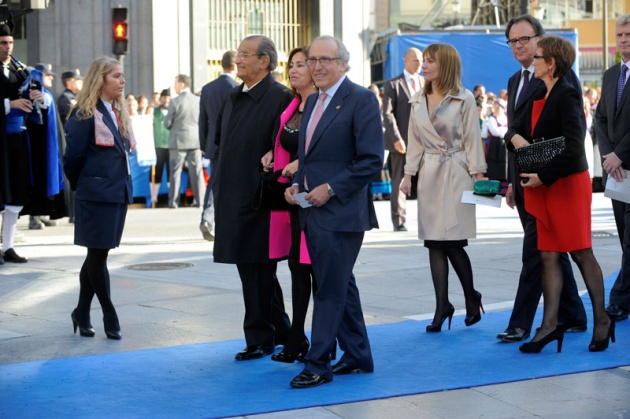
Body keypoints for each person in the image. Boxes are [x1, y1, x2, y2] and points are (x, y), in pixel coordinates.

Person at [505, 36, 614, 353]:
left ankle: (602, 320)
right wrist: (517, 140)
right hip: (544, 184)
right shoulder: (541, 90)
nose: (532, 61)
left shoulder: (567, 93)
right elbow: (513, 128)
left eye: (537, 57)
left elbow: (573, 146)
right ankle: (549, 325)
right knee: (549, 254)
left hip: (565, 184)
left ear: (550, 63)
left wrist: (543, 174)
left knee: (580, 252)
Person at [285, 35, 383, 388]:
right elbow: (311, 156)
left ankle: (318, 363)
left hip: (341, 212)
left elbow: (371, 160)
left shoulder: (361, 99)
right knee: (341, 284)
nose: (317, 66)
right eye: (313, 60)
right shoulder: (312, 103)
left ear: (344, 63)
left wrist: (331, 188)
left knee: (328, 288)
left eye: (326, 59)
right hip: (311, 208)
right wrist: (301, 183)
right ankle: (357, 355)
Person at [498, 14, 587, 343]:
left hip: (550, 181)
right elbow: (513, 139)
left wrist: (545, 171)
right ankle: (574, 314)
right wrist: (511, 183)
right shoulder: (513, 80)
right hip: (523, 183)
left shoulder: (558, 77)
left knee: (535, 251)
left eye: (525, 39)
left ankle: (520, 322)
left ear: (541, 40)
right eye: (513, 41)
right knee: (551, 249)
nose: (519, 45)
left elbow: (570, 133)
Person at [212, 35, 292, 361]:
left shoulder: (280, 97)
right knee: (253, 269)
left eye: (246, 54)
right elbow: (219, 142)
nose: (239, 59)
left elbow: (285, 145)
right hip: (232, 193)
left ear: (265, 61)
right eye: (239, 54)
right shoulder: (233, 96)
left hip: (261, 196)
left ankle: (260, 338)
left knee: (258, 267)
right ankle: (282, 330)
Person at [400, 43, 487, 334]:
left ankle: (470, 297)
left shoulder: (464, 99)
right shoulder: (417, 99)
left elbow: (474, 139)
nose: (424, 65)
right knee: (433, 241)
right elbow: (414, 141)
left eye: (430, 61)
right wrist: (408, 174)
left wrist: (479, 176)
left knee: (453, 240)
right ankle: (443, 306)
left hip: (458, 172)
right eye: (423, 61)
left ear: (445, 65)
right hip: (429, 174)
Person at [63, 56, 134, 340]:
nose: (122, 80)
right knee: (97, 254)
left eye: (122, 75)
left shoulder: (116, 111)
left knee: (97, 253)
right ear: (100, 80)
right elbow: (73, 158)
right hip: (96, 194)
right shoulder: (83, 113)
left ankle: (81, 311)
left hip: (116, 192)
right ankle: (108, 312)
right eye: (116, 76)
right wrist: (87, 185)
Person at [259, 47, 318, 364]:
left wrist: (298, 164)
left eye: (301, 64)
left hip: (315, 197)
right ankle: (297, 338)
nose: (294, 70)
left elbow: (321, 147)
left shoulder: (320, 104)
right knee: (297, 267)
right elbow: (286, 140)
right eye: (291, 65)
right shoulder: (293, 104)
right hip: (291, 196)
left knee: (314, 271)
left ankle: (321, 340)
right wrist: (273, 153)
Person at [595, 14, 630, 322]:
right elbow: (600, 119)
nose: (623, 39)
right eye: (620, 34)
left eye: (628, 34)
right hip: (616, 173)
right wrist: (608, 154)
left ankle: (619, 300)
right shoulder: (609, 75)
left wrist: (620, 153)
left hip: (627, 163)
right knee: (624, 237)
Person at [0, 20, 38, 264]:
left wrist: (37, 96)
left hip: (16, 138)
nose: (8, 47)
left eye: (11, 42)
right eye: (3, 43)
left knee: (15, 192)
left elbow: (33, 102)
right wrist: (9, 104)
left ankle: (8, 247)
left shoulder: (19, 70)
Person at [198, 50, 238, 241]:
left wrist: (204, 145)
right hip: (234, 145)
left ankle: (207, 218)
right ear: (234, 66)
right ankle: (224, 222)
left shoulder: (207, 88)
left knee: (214, 182)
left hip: (213, 145)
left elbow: (202, 120)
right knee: (232, 184)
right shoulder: (238, 88)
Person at [382, 47, 423, 232]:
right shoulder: (393, 84)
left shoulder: (425, 82)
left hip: (424, 142)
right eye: (416, 60)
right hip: (402, 142)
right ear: (406, 61)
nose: (420, 64)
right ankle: (399, 220)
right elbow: (387, 114)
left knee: (427, 180)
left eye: (421, 60)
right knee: (399, 180)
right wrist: (396, 138)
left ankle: (428, 217)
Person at [24, 63, 67, 230]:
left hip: (45, 143)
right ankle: (35, 216)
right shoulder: (32, 90)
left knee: (44, 176)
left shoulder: (47, 93)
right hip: (36, 144)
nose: (51, 77)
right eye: (47, 75)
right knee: (37, 176)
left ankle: (40, 213)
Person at [164, 74, 205, 208]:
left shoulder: (175, 102)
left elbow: (167, 123)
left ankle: (173, 202)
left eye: (176, 83)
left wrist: (171, 124)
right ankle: (201, 201)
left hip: (178, 141)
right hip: (195, 139)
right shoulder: (198, 100)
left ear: (182, 84)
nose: (174, 86)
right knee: (197, 171)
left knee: (175, 172)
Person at [150, 88, 171, 206]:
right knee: (156, 173)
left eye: (168, 98)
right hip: (157, 146)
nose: (166, 100)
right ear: (161, 99)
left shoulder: (174, 111)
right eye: (164, 98)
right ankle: (154, 199)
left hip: (171, 146)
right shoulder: (154, 111)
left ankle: (171, 198)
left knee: (171, 173)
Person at [485, 101, 509, 193]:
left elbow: (509, 130)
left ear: (503, 109)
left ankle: (504, 187)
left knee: (504, 164)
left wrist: (502, 131)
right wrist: (503, 130)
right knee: (494, 164)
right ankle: (494, 186)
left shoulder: (507, 118)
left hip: (505, 145)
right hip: (495, 145)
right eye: (495, 108)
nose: (496, 110)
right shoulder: (491, 119)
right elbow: (495, 132)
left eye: (498, 108)